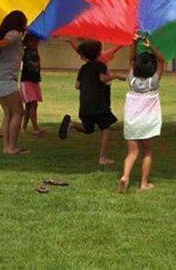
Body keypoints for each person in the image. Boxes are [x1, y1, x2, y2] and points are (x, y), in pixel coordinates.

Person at [59, 40, 124, 165]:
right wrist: (116, 76)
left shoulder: (83, 68)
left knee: (88, 128)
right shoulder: (100, 66)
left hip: (85, 105)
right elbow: (102, 78)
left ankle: (72, 124)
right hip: (98, 104)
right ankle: (102, 158)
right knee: (106, 128)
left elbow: (77, 85)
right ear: (99, 53)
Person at [118, 34, 164, 194]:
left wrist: (134, 43)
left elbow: (131, 59)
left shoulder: (131, 81)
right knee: (147, 153)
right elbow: (162, 61)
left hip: (132, 121)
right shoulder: (154, 82)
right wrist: (151, 47)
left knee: (132, 153)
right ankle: (144, 183)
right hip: (148, 122)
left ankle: (125, 176)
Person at [0, 10, 30, 155]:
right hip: (5, 80)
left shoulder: (8, 34)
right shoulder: (14, 34)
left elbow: (2, 43)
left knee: (8, 113)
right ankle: (12, 147)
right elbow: (5, 43)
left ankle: (6, 147)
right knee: (18, 112)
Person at [20, 33, 45, 135]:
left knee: (29, 105)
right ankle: (35, 128)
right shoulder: (24, 52)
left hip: (35, 80)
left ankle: (24, 127)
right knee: (33, 103)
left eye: (36, 42)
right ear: (27, 42)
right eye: (32, 42)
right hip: (27, 81)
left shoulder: (35, 51)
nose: (34, 44)